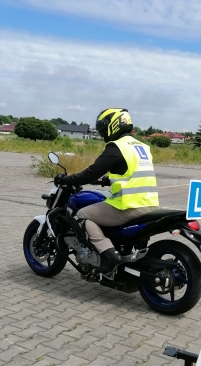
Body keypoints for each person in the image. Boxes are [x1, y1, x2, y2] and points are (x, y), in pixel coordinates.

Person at [55, 108, 159, 271]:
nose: (103, 134)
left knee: (80, 216)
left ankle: (108, 254)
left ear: (114, 126)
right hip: (150, 204)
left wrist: (66, 179)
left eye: (103, 130)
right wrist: (106, 180)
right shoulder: (143, 147)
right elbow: (131, 173)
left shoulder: (117, 147)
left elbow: (90, 173)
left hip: (127, 206)